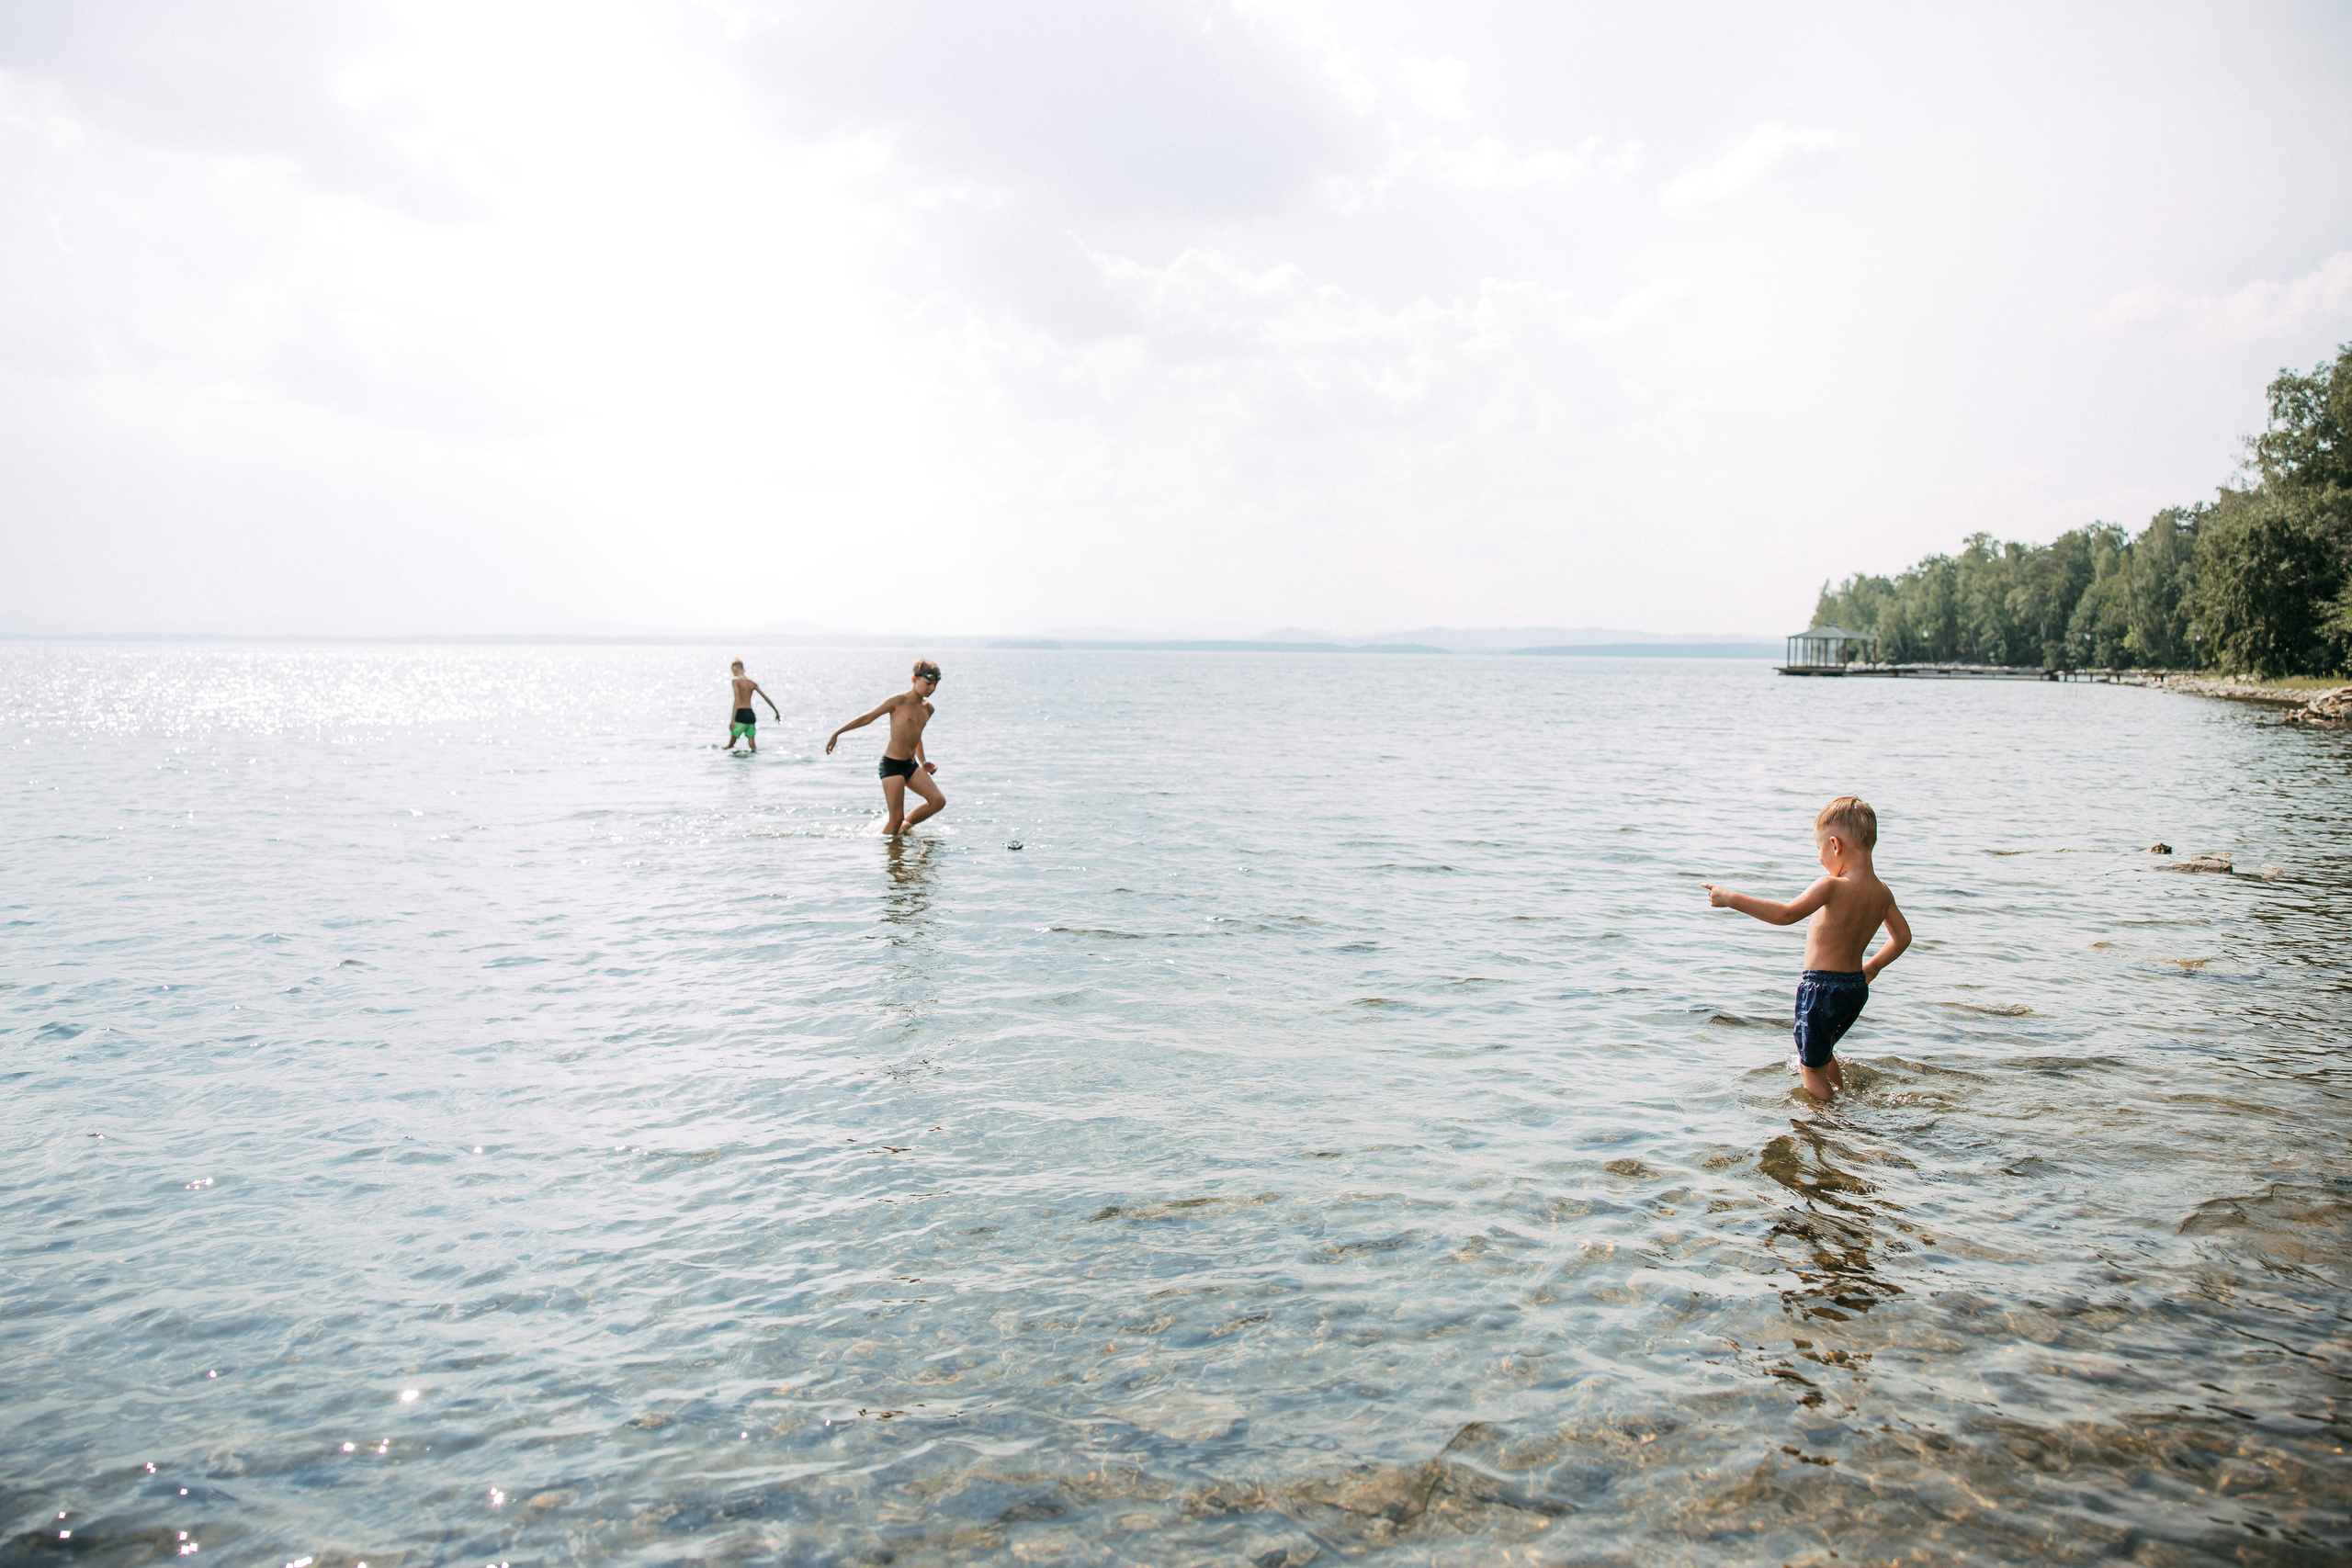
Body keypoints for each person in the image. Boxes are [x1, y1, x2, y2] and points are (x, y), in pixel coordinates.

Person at [1703, 795, 1911, 1102]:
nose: (1820, 858)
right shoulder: (1882, 892)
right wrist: (1873, 967)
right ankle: (1842, 1098)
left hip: (1821, 989)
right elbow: (1902, 937)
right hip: (1855, 988)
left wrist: (1731, 898)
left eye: (1819, 850)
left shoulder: (1830, 886)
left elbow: (1786, 914)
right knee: (1824, 1054)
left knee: (1810, 1069)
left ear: (1835, 845)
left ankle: (1828, 1124)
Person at [826, 660, 945, 834]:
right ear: (914, 679)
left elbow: (916, 736)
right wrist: (838, 733)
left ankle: (904, 829)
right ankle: (891, 856)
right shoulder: (898, 701)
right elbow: (868, 718)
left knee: (937, 801)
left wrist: (923, 761)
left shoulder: (928, 709)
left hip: (911, 765)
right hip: (892, 764)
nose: (931, 689)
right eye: (928, 684)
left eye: (935, 685)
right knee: (896, 818)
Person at [722, 660, 780, 753]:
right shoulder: (751, 683)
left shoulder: (735, 680)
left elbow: (737, 700)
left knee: (730, 746)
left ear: (735, 669)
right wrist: (776, 711)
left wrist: (732, 720)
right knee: (752, 745)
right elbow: (765, 697)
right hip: (750, 715)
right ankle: (753, 763)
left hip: (741, 713)